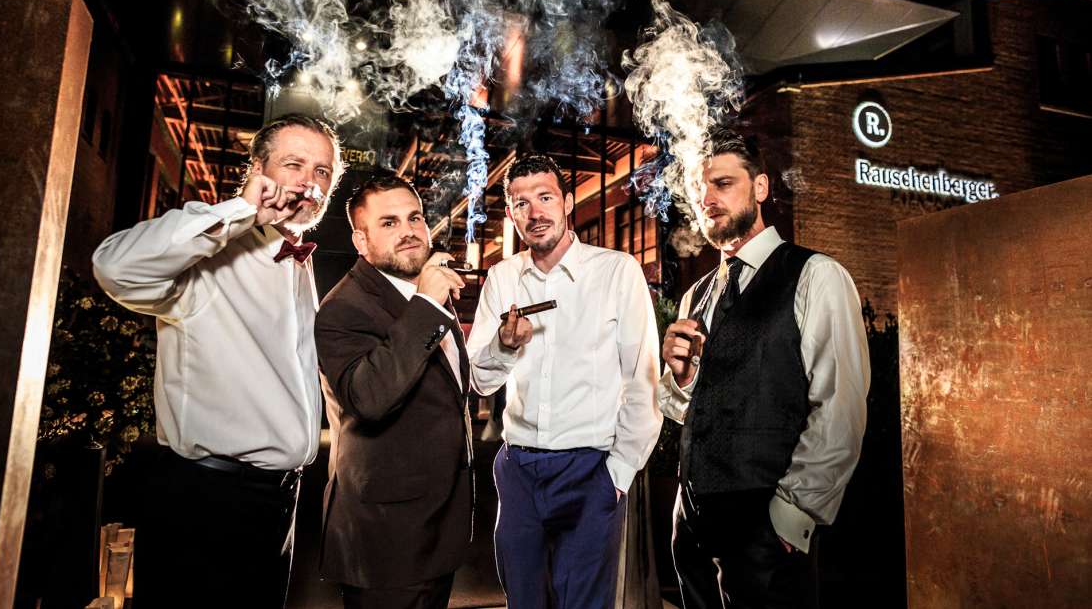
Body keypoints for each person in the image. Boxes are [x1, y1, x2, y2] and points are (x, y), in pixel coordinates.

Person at [91, 113, 344, 608]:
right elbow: (113, 266)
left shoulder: (298, 261)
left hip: (278, 502)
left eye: (322, 171)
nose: (309, 182)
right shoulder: (209, 251)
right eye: (294, 164)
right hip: (205, 499)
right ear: (258, 169)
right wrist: (240, 211)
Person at [658, 134, 870, 609]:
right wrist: (683, 378)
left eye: (722, 184)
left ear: (759, 188)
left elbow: (840, 407)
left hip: (766, 527)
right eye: (699, 189)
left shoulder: (816, 275)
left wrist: (793, 515)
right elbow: (689, 409)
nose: (707, 199)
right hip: (692, 523)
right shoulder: (697, 294)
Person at [467, 153, 662, 609]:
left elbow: (643, 381)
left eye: (545, 197)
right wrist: (504, 346)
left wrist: (617, 474)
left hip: (590, 469)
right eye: (521, 203)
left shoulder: (617, 271)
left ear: (568, 202)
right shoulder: (502, 277)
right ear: (511, 213)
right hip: (519, 469)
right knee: (523, 600)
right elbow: (479, 380)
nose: (535, 213)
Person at [315, 172, 473, 609]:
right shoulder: (342, 309)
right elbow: (369, 399)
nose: (408, 231)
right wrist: (427, 305)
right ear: (360, 241)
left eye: (414, 217)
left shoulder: (421, 292)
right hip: (385, 540)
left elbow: (444, 392)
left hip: (435, 530)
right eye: (389, 223)